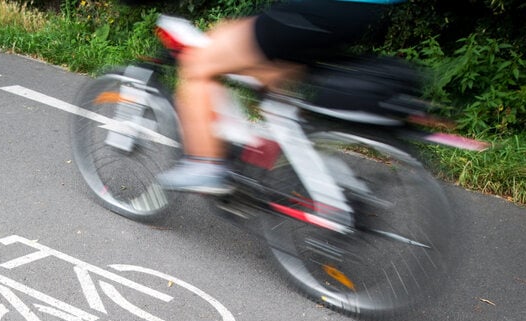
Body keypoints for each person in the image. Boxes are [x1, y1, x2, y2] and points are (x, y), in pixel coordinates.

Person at [156, 0, 401, 195]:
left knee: (200, 60)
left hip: (319, 9)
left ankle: (206, 165)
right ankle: (272, 151)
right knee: (261, 66)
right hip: (362, 12)